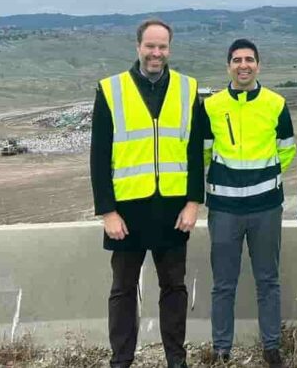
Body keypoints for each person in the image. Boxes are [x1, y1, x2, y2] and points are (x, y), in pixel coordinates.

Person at [89, 19, 206, 368]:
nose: (157, 53)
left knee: (174, 289)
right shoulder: (111, 90)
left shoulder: (188, 89)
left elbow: (195, 152)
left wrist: (192, 202)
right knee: (123, 291)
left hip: (173, 211)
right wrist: (107, 211)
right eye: (150, 46)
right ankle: (121, 361)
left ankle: (176, 360)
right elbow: (99, 156)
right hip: (126, 213)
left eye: (163, 47)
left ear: (170, 48)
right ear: (138, 46)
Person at [203, 39, 295, 367]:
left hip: (266, 208)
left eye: (250, 59)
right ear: (228, 65)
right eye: (238, 60)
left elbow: (286, 149)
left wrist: (261, 179)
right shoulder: (211, 106)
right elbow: (204, 152)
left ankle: (272, 348)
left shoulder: (276, 103)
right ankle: (221, 349)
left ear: (259, 64)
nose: (244, 65)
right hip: (224, 209)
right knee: (223, 283)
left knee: (267, 280)